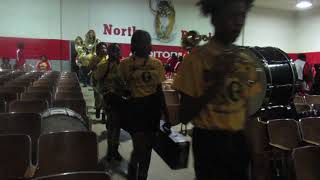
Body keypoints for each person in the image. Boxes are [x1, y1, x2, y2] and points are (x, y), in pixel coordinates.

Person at [173, 0, 260, 179]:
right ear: (215, 17)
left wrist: (256, 155)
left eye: (242, 16)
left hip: (238, 141)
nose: (238, 22)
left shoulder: (247, 60)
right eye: (232, 15)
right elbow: (184, 116)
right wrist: (215, 83)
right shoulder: (195, 60)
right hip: (209, 143)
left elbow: (248, 115)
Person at [119, 30, 169, 180]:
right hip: (135, 108)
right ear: (134, 44)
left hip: (153, 108)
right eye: (142, 41)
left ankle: (143, 175)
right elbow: (119, 87)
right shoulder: (125, 64)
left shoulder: (157, 64)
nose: (146, 44)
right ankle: (133, 169)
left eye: (148, 41)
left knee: (148, 147)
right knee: (139, 146)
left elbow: (160, 91)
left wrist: (166, 115)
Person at [94, 43, 124, 162]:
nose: (116, 54)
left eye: (118, 51)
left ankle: (113, 151)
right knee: (113, 127)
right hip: (109, 100)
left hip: (120, 100)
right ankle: (112, 152)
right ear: (109, 53)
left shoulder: (123, 65)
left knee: (116, 127)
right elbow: (96, 78)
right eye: (113, 51)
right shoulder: (103, 65)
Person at [90, 42, 108, 119]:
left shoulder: (108, 58)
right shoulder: (94, 58)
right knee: (98, 97)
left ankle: (104, 116)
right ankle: (98, 110)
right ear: (98, 50)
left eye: (105, 48)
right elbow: (91, 68)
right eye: (102, 48)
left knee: (105, 99)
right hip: (96, 80)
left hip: (105, 81)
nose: (104, 50)